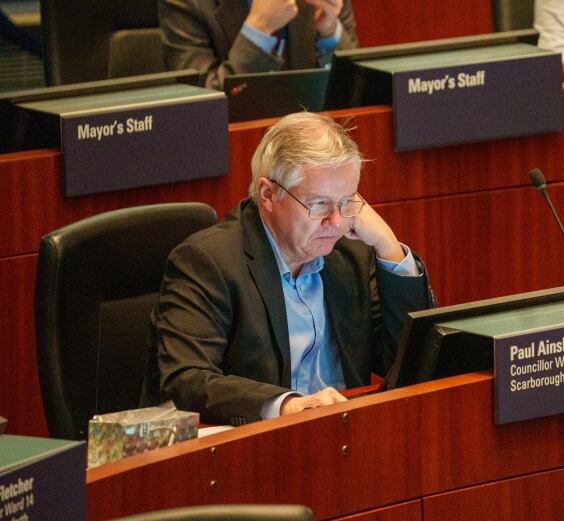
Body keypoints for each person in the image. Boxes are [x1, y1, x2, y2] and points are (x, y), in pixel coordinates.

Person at [142, 112, 434, 425]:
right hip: (256, 448)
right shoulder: (208, 262)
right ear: (268, 194)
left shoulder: (350, 251)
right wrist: (286, 406)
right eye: (320, 204)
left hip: (344, 435)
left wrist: (388, 247)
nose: (336, 222)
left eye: (348, 201)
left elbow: (408, 361)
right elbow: (187, 380)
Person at [158, 0, 359, 89]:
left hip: (313, 144)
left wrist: (329, 34)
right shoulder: (187, 2)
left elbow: (357, 88)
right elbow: (199, 109)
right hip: (235, 149)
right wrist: (258, 31)